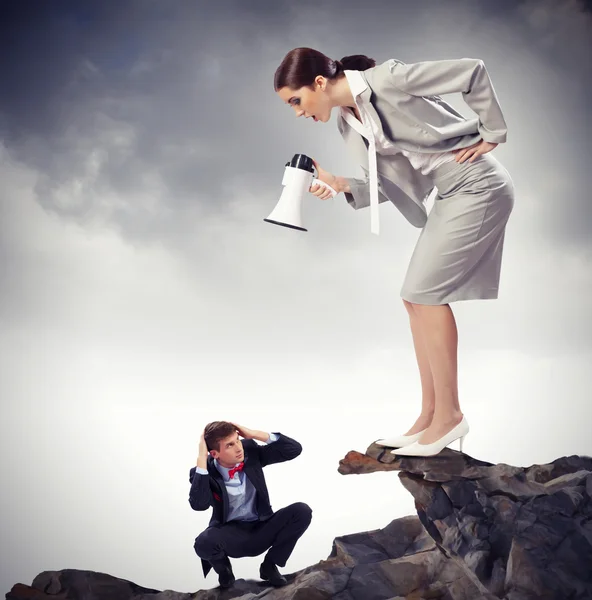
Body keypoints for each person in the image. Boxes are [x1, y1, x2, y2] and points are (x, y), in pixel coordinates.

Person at [274, 48, 515, 457]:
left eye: (295, 101)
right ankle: (429, 416)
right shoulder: (350, 124)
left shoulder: (390, 80)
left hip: (479, 185)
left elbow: (472, 71)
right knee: (413, 299)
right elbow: (389, 184)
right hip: (451, 193)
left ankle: (451, 417)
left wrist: (492, 132)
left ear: (318, 83)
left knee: (426, 296)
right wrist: (336, 182)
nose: (296, 112)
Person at [188, 421, 311, 589]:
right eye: (230, 445)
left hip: (263, 527)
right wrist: (202, 459)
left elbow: (293, 449)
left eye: (237, 440)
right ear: (215, 453)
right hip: (231, 536)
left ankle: (270, 565)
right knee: (203, 542)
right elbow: (199, 505)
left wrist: (254, 434)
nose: (239, 448)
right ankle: (224, 571)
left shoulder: (250, 452)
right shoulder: (202, 472)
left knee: (301, 511)